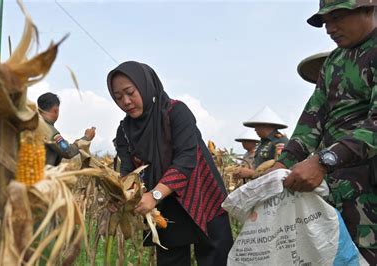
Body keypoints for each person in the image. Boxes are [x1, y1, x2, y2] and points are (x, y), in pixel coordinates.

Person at [271, 1, 377, 263]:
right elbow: (313, 116)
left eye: (337, 17)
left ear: (368, 9)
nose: (330, 28)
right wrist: (285, 161)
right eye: (325, 22)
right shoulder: (334, 61)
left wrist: (323, 160)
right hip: (337, 187)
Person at [108, 61, 233, 265]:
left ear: (146, 85)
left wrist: (154, 195)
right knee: (171, 259)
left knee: (216, 258)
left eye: (130, 92)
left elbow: (185, 159)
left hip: (201, 196)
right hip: (164, 206)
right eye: (118, 97)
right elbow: (129, 171)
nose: (126, 101)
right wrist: (120, 195)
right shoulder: (125, 132)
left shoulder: (176, 112)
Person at [37, 92, 96, 166]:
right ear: (55, 110)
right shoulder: (49, 130)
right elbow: (68, 151)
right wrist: (86, 138)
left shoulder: (34, 125)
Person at [234, 106, 288, 179]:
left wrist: (252, 174)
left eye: (257, 126)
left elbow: (279, 171)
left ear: (266, 125)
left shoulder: (280, 141)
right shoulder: (262, 143)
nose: (255, 130)